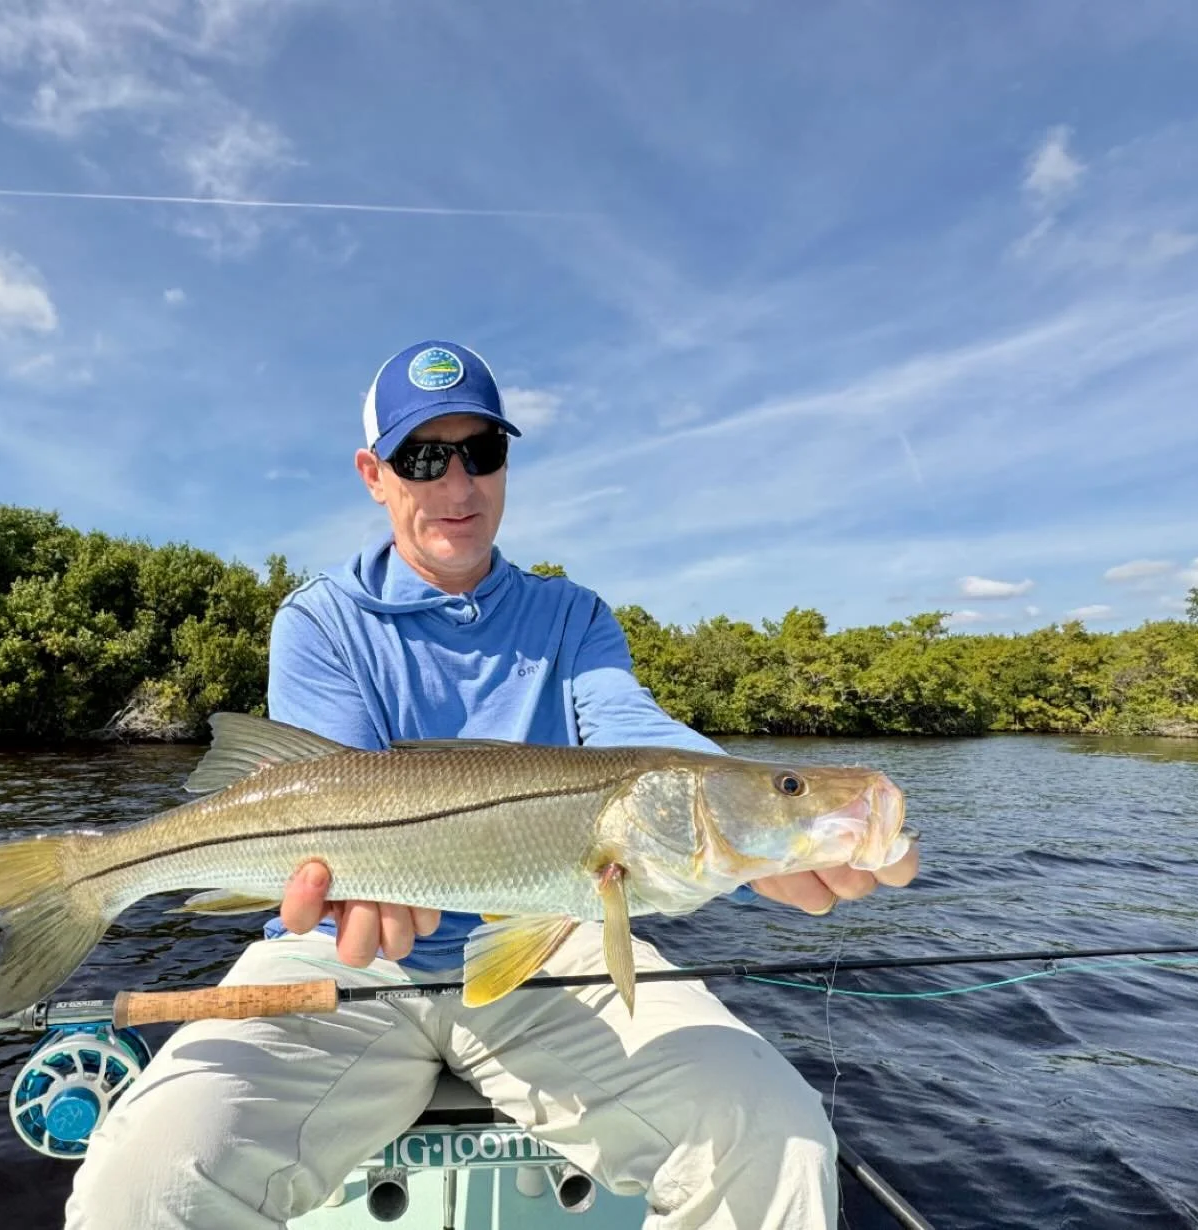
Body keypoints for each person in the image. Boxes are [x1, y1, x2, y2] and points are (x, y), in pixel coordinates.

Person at [66, 340, 919, 1230]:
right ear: (373, 475)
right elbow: (333, 795)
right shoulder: (319, 619)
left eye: (482, 451)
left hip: (561, 946)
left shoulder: (573, 616)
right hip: (338, 962)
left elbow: (637, 735)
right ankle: (97, 881)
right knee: (145, 1182)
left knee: (776, 1138)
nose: (458, 483)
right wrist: (352, 893)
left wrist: (786, 832)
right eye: (422, 457)